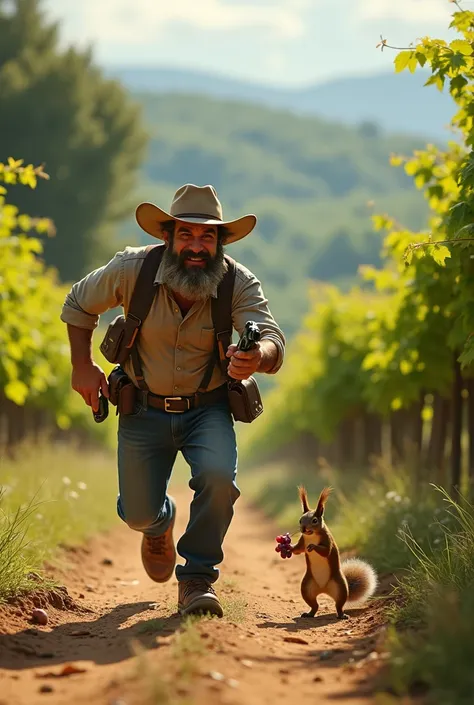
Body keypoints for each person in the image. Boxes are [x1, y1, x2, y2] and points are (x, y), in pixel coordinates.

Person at [60, 184, 285, 618]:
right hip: (142, 407)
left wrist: (257, 356)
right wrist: (82, 367)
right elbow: (77, 304)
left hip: (209, 408)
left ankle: (197, 578)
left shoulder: (238, 281)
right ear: (168, 237)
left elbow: (272, 337)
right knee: (138, 514)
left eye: (207, 237)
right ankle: (159, 523)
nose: (196, 246)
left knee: (220, 479)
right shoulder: (131, 270)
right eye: (187, 235)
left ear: (220, 242)